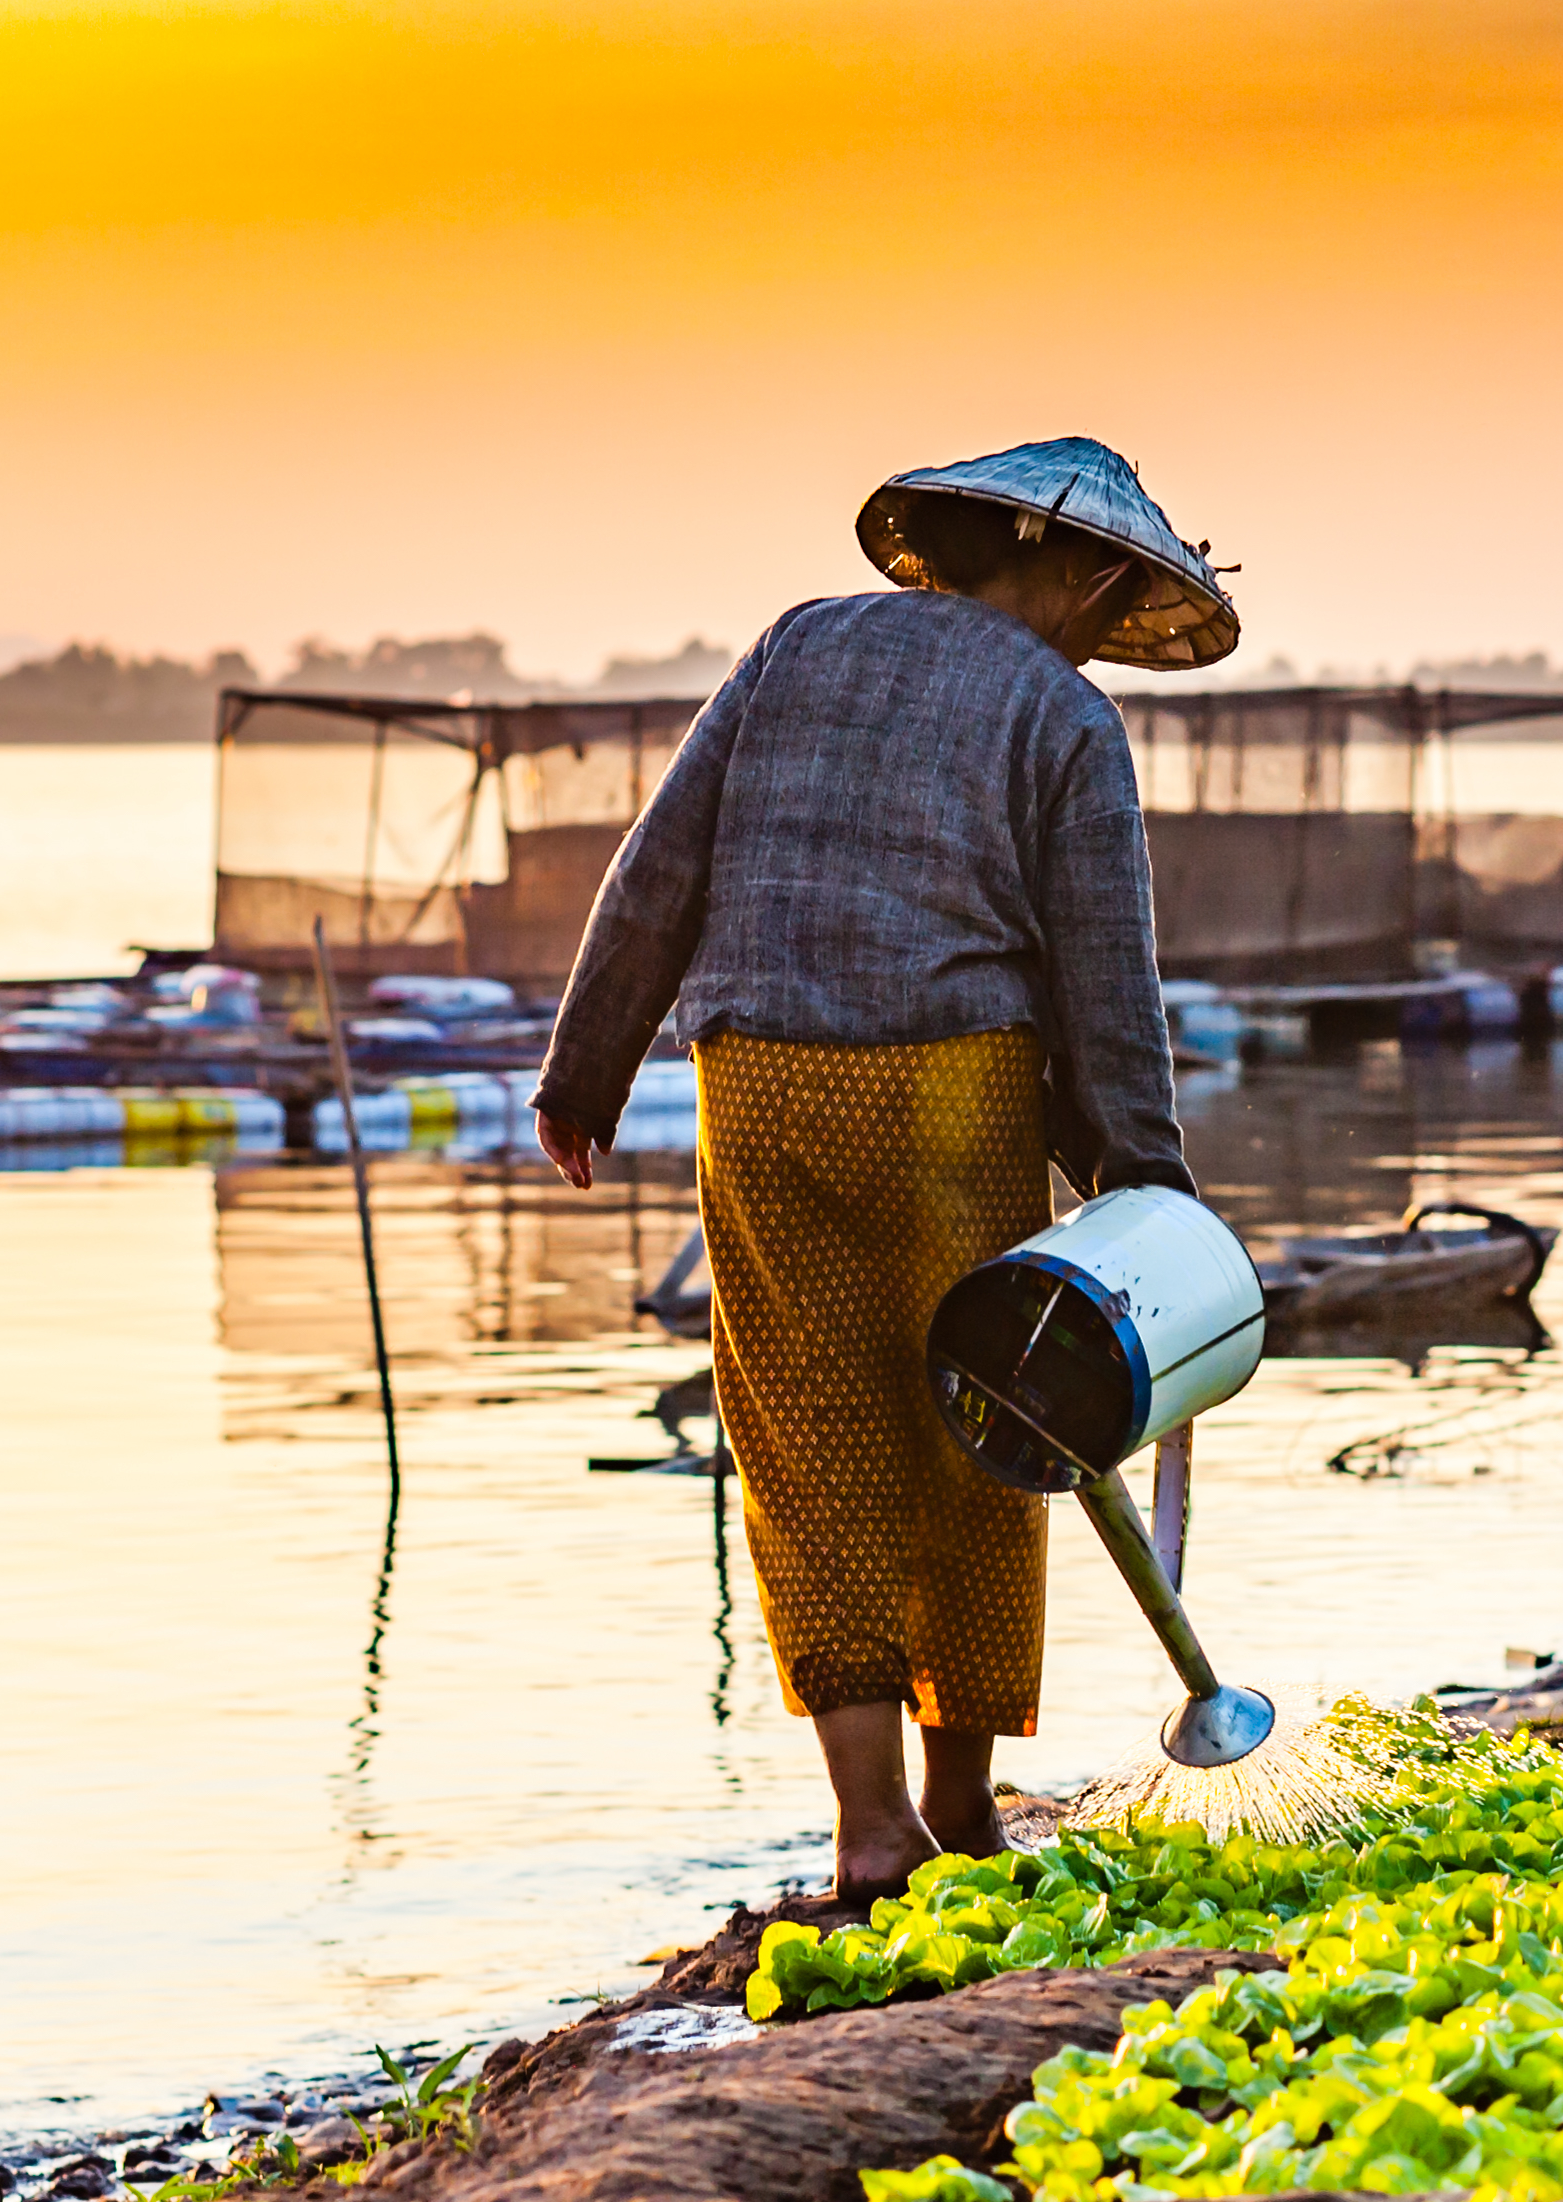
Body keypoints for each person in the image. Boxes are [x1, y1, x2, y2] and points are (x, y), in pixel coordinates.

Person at [529, 437, 1237, 1900]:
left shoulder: (797, 644)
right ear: (1083, 576)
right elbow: (1108, 976)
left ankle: (869, 1827)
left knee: (807, 1437)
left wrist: (584, 1071)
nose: (1109, 635)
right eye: (1115, 606)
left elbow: (660, 868)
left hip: (760, 1084)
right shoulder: (1066, 717)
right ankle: (959, 1804)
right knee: (987, 1426)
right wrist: (1146, 1182)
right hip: (949, 1093)